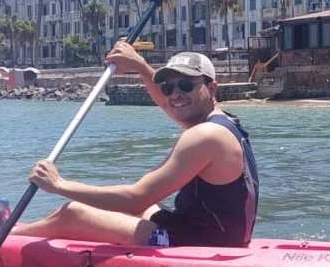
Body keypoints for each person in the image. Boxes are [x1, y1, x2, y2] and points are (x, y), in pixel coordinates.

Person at [13, 42, 259, 247]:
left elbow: (135, 199)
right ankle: (27, 228)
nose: (175, 94)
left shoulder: (205, 135)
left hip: (196, 244)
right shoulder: (221, 122)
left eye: (186, 85)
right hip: (208, 232)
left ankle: (10, 238)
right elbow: (170, 104)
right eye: (169, 87)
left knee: (74, 213)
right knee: (147, 209)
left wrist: (58, 184)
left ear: (212, 88)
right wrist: (139, 66)